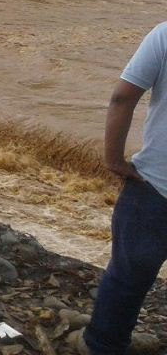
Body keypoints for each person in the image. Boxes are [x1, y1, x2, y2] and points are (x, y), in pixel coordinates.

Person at [83, 23, 167, 354]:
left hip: (154, 187)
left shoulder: (163, 35)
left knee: (127, 280)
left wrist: (115, 160)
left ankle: (103, 346)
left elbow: (122, 98)